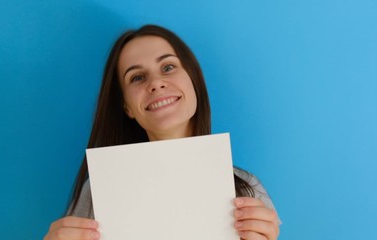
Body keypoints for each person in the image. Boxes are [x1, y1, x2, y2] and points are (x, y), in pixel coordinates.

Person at [44, 25, 280, 240]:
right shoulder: (99, 191)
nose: (156, 83)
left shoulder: (247, 188)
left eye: (168, 67)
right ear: (126, 106)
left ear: (193, 81)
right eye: (137, 77)